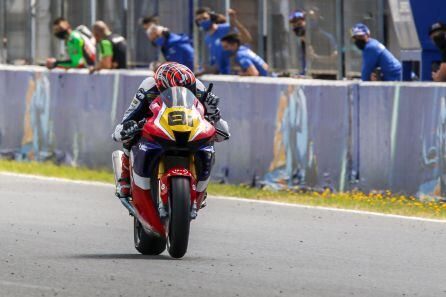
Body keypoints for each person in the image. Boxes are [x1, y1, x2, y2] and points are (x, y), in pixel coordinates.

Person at [112, 62, 230, 199]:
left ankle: (201, 185)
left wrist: (214, 113)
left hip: (187, 126)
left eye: (187, 89)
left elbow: (224, 134)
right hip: (156, 124)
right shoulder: (148, 86)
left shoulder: (199, 88)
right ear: (160, 86)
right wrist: (127, 128)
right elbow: (128, 117)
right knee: (129, 133)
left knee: (208, 138)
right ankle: (125, 176)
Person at [194, 7, 252, 75]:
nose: (202, 21)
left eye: (204, 18)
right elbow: (217, 63)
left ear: (212, 18)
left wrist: (235, 21)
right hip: (224, 76)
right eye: (199, 20)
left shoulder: (225, 28)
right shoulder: (207, 38)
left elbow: (247, 39)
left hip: (237, 74)